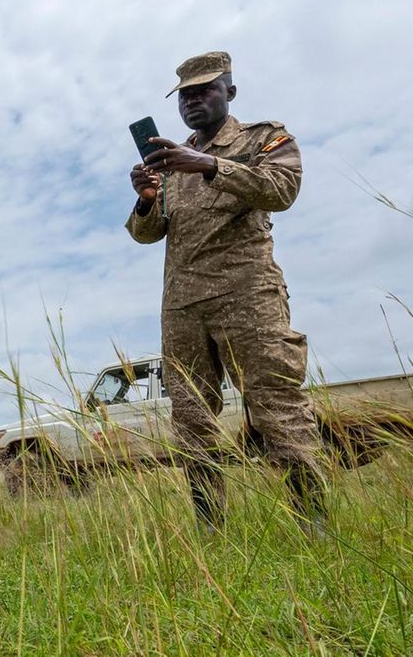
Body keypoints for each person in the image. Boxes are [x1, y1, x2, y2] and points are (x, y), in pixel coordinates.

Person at [125, 51, 325, 532]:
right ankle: (211, 527)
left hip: (247, 296)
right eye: (185, 96)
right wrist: (148, 198)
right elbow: (145, 233)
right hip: (182, 305)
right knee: (191, 417)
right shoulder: (171, 162)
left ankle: (313, 523)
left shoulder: (262, 138)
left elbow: (282, 189)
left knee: (276, 404)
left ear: (229, 92)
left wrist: (209, 164)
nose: (193, 102)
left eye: (204, 91)